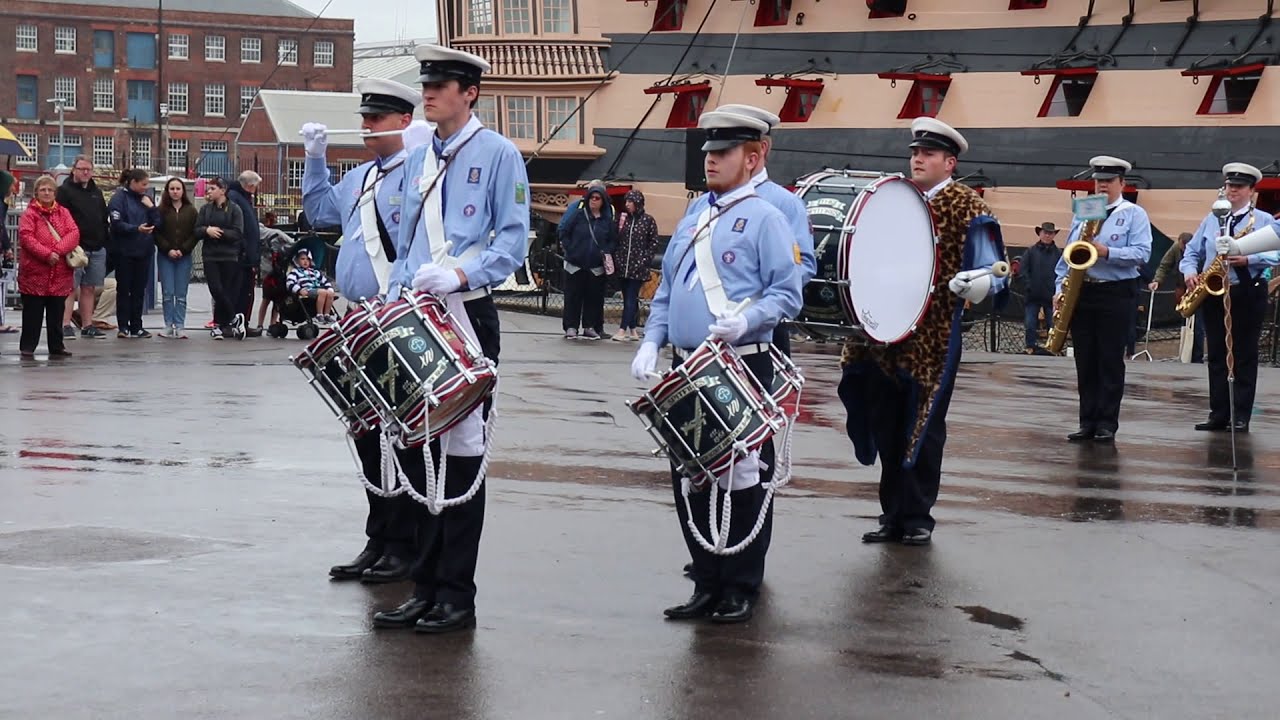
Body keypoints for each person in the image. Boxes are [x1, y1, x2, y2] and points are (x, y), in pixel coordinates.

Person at [371, 45, 530, 634]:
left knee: (462, 457)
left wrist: (461, 274)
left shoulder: (499, 154)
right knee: (416, 449)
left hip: (465, 313)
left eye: (442, 84)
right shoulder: (417, 161)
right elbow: (404, 244)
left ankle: (456, 595)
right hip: (415, 314)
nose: (429, 92)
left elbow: (513, 241)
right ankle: (424, 585)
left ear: (471, 92)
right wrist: (394, 298)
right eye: (427, 84)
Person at [630, 110, 801, 623]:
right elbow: (665, 289)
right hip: (687, 365)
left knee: (741, 475)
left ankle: (739, 584)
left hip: (739, 362)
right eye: (707, 152)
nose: (710, 159)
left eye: (722, 153)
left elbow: (787, 294)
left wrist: (747, 320)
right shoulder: (693, 216)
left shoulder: (769, 217)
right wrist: (652, 340)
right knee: (692, 474)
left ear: (751, 159)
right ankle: (706, 580)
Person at [838, 118, 1009, 546]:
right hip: (880, 331)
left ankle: (917, 516)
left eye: (928, 154)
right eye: (915, 152)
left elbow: (996, 270)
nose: (918, 159)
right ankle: (891, 514)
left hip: (930, 336)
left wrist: (982, 282)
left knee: (924, 424)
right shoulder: (890, 199)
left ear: (949, 163)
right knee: (885, 423)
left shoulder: (968, 205)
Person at [301, 77, 423, 584]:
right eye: (365, 118)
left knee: (404, 434)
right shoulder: (360, 179)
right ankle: (380, 534)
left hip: (396, 315)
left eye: (376, 118)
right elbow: (319, 211)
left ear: (403, 121)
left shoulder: (419, 174)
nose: (366, 126)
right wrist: (315, 158)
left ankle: (407, 540)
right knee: (367, 430)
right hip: (356, 317)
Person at [1053, 156, 1153, 443]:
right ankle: (1087, 421)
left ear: (1122, 184)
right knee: (1085, 360)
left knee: (1109, 359)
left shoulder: (1134, 214)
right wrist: (1059, 286)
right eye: (1099, 181)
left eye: (1108, 181)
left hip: (1116, 291)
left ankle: (1107, 423)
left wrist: (1106, 251)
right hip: (1083, 290)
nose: (1102, 185)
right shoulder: (1084, 211)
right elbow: (1069, 253)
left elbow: (1142, 254)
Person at [709, 104, 815, 355]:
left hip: (761, 329)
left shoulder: (785, 203)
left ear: (760, 150)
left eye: (726, 150)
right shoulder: (705, 204)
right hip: (712, 325)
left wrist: (757, 304)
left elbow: (805, 265)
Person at [1179, 163, 1278, 433]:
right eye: (1229, 186)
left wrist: (1249, 258)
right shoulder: (1212, 218)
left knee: (1244, 353)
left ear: (1251, 191)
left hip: (1246, 289)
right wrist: (1190, 272)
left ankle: (1240, 414)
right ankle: (1218, 412)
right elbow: (1192, 252)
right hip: (1214, 291)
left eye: (1239, 187)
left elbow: (1276, 254)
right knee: (1217, 354)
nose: (1232, 191)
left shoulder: (1264, 220)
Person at [17, 175, 80, 358]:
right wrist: (46, 254)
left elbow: (73, 233)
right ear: (36, 192)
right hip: (35, 273)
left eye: (50, 190)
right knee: (32, 314)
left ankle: (56, 346)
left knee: (56, 313)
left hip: (60, 273)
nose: (46, 193)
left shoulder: (63, 213)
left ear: (55, 193)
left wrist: (57, 251)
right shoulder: (30, 214)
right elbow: (27, 237)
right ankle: (28, 347)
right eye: (43, 189)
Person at [57, 156, 111, 339]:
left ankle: (87, 324)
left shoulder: (96, 192)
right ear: (74, 170)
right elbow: (60, 219)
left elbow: (104, 217)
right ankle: (65, 324)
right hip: (75, 248)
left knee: (89, 288)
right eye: (82, 169)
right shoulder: (64, 191)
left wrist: (104, 239)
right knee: (70, 288)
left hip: (96, 247)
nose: (85, 172)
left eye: (88, 169)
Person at [107, 169, 162, 339]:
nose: (146, 187)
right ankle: (123, 326)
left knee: (139, 290)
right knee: (124, 290)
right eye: (143, 184)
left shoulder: (146, 200)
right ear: (133, 182)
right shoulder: (119, 198)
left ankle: (137, 325)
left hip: (144, 251)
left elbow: (158, 222)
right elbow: (116, 223)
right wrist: (135, 229)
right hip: (124, 251)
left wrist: (152, 209)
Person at [558, 182, 614, 340]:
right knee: (572, 296)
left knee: (593, 298)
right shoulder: (578, 215)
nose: (594, 201)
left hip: (595, 266)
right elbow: (564, 231)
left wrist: (605, 251)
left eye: (597, 198)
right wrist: (571, 249)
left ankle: (589, 326)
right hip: (575, 263)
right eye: (592, 197)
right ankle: (571, 326)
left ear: (603, 201)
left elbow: (612, 239)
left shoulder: (606, 220)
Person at [194, 176, 246, 340]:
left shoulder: (234, 209)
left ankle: (219, 324)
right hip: (210, 255)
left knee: (226, 290)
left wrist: (221, 233)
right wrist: (206, 230)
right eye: (208, 189)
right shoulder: (205, 210)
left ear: (223, 191)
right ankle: (234, 318)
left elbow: (238, 232)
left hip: (229, 255)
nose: (209, 191)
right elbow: (197, 229)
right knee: (216, 289)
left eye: (212, 188)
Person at [612, 189, 659, 341]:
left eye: (630, 202)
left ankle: (622, 329)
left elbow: (653, 242)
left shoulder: (648, 220)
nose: (627, 205)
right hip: (623, 264)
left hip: (637, 267)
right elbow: (618, 239)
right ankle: (633, 330)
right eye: (626, 202)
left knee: (631, 297)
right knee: (627, 297)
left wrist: (645, 259)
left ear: (638, 203)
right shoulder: (624, 219)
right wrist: (618, 257)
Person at [155, 178, 198, 339]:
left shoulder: (191, 211)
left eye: (178, 188)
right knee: (168, 292)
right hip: (166, 256)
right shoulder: (161, 211)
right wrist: (168, 249)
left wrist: (184, 249)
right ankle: (168, 324)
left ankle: (180, 325)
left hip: (184, 257)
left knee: (181, 293)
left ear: (183, 191)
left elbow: (195, 233)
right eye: (172, 188)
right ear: (167, 191)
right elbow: (156, 233)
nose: (175, 191)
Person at [1151, 232, 1203, 363]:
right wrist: (1157, 280)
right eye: (1182, 248)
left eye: (1186, 248)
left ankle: (1197, 357)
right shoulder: (1175, 248)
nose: (1184, 251)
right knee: (1184, 321)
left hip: (1199, 288)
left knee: (1198, 323)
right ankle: (1185, 354)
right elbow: (1165, 265)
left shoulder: (1199, 247)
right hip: (1182, 287)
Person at [227, 171, 263, 337]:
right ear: (250, 185)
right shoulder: (237, 199)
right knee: (240, 291)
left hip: (246, 252)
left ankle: (242, 322)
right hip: (243, 253)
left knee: (243, 291)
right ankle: (237, 323)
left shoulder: (240, 198)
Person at [1019, 221, 1062, 352]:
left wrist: (1058, 291)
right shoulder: (1030, 251)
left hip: (1051, 295)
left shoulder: (1058, 253)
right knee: (1030, 324)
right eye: (1045, 233)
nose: (1048, 236)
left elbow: (1062, 271)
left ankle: (1052, 347)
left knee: (1053, 324)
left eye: (1050, 233)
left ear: (1054, 235)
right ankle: (1030, 346)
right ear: (1040, 233)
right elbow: (1023, 270)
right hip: (1033, 294)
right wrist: (1028, 286)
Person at [286, 249, 337, 323]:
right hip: (307, 290)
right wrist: (299, 290)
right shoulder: (295, 272)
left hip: (318, 289)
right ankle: (319, 315)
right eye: (302, 259)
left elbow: (325, 281)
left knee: (330, 293)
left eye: (308, 259)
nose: (305, 261)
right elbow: (290, 283)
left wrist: (329, 288)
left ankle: (327, 314)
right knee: (322, 292)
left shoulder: (315, 272)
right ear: (297, 260)